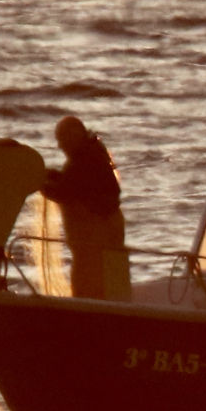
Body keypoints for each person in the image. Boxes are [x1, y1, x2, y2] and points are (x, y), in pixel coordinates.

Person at [42, 115, 126, 298]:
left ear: (75, 135)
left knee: (92, 286)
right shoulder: (92, 154)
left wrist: (40, 184)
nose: (60, 146)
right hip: (104, 239)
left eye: (62, 139)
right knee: (112, 285)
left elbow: (66, 192)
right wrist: (53, 176)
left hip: (96, 240)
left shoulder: (86, 160)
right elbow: (74, 184)